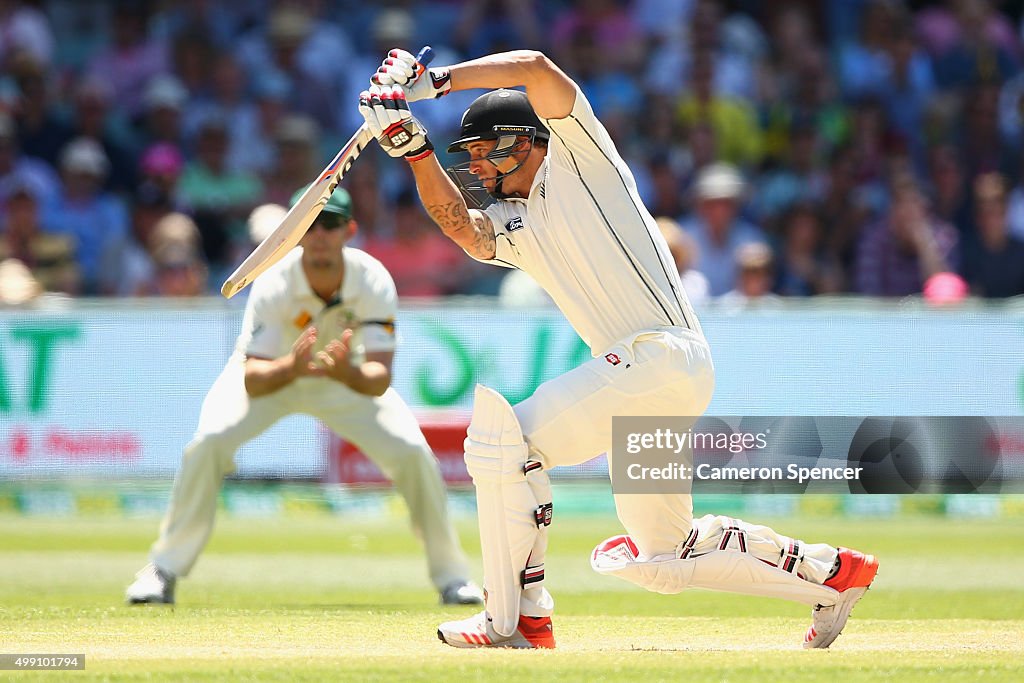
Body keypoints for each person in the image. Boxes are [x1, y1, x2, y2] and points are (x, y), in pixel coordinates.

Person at [360, 48, 878, 649]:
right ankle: (833, 575)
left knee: (502, 441)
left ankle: (516, 620)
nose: (474, 167)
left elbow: (533, 66)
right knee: (662, 559)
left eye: (482, 151)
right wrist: (414, 151)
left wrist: (432, 84)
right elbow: (463, 228)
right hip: (661, 377)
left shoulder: (580, 159)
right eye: (467, 157)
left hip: (658, 357)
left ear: (524, 142)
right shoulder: (514, 222)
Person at [125, 187, 482, 607]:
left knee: (413, 453)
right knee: (208, 443)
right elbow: (253, 379)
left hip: (342, 379)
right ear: (294, 231)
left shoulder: (371, 279)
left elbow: (380, 377)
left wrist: (346, 370)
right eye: (310, 224)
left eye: (329, 224)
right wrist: (291, 369)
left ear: (348, 229)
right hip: (275, 375)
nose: (319, 235)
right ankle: (162, 570)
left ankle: (452, 578)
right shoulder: (275, 280)